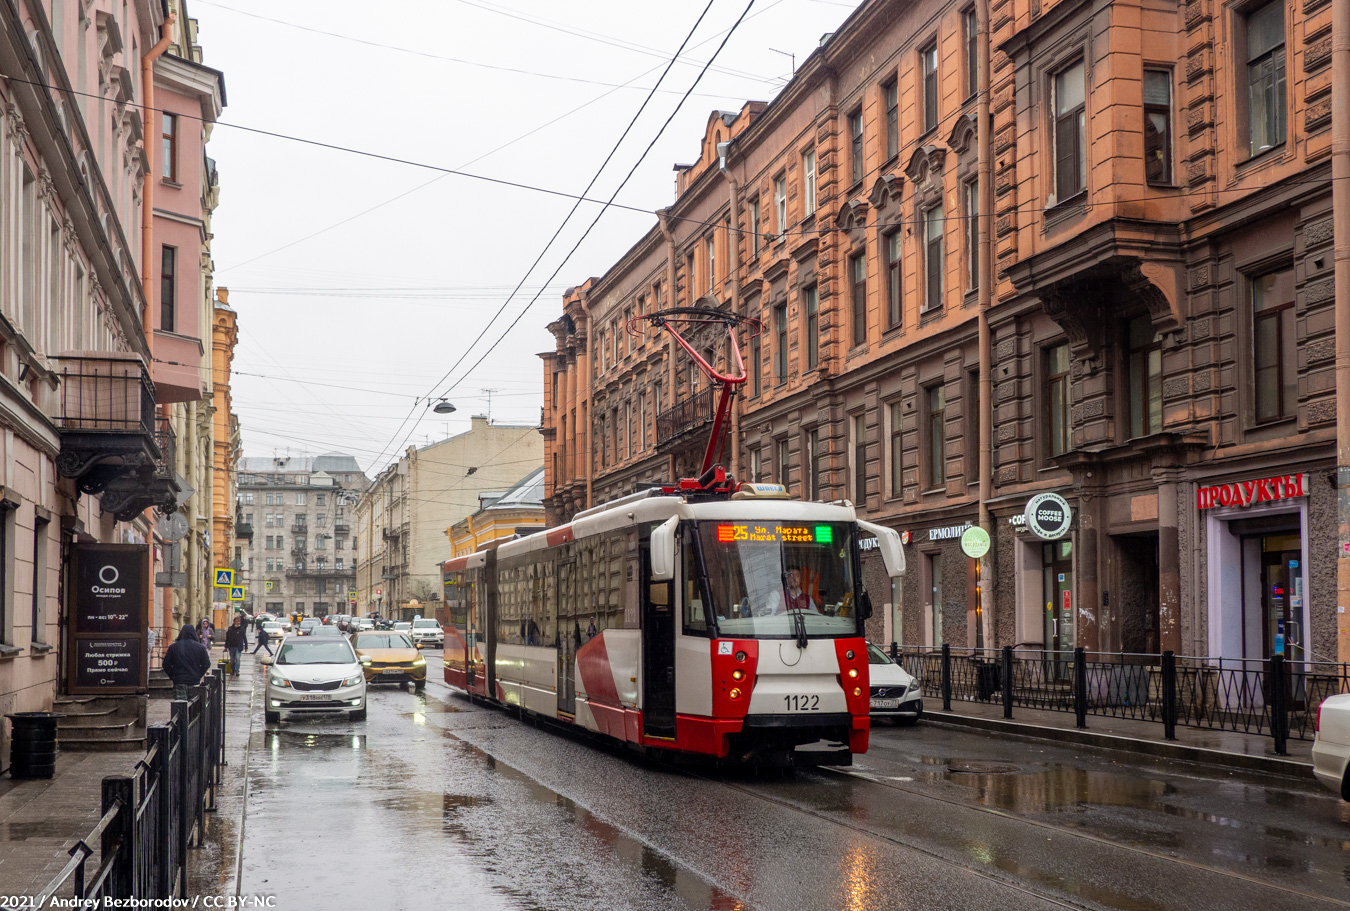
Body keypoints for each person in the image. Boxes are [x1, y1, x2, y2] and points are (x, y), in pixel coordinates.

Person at [163, 624, 212, 701]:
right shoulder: (200, 647)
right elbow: (206, 663)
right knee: (194, 707)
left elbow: (166, 664)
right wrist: (199, 674)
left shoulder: (174, 647)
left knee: (180, 707)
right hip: (194, 680)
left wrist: (173, 675)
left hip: (179, 680)